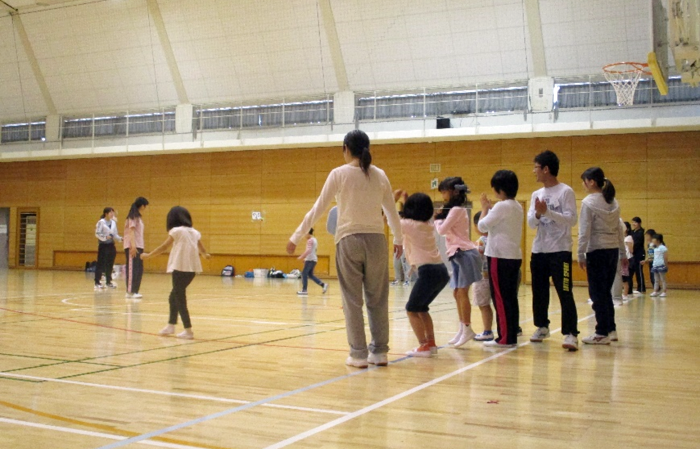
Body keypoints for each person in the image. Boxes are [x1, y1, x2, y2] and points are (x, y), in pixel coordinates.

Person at [286, 130, 402, 368]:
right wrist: (398, 239)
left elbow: (318, 208)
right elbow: (391, 211)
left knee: (352, 300)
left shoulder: (339, 174)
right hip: (377, 242)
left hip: (349, 240)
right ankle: (379, 352)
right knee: (378, 299)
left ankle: (358, 354)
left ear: (345, 148)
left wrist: (296, 236)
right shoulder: (380, 174)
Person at [527, 150, 579, 351]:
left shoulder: (566, 191)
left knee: (564, 291)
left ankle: (571, 333)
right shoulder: (536, 194)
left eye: (536, 167)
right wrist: (540, 215)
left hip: (560, 250)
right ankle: (542, 326)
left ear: (546, 169)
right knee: (539, 291)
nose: (534, 171)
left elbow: (571, 219)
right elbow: (531, 222)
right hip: (539, 249)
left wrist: (547, 212)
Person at [141, 206, 210, 339]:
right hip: (192, 270)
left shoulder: (176, 231)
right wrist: (205, 255)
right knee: (173, 297)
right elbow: (202, 248)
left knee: (179, 298)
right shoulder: (194, 232)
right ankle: (171, 325)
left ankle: (188, 330)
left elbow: (164, 246)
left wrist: (148, 255)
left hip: (180, 268)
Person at [577, 167, 627, 345]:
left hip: (597, 251)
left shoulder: (588, 202)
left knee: (597, 293)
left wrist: (580, 253)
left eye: (584, 181)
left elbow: (584, 232)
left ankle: (601, 332)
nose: (583, 185)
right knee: (606, 292)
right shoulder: (613, 202)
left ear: (591, 182)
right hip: (612, 250)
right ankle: (611, 329)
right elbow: (620, 231)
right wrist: (622, 252)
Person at [399, 192, 450, 357]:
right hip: (440, 271)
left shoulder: (409, 225)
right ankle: (431, 344)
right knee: (422, 308)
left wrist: (393, 198)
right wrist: (407, 201)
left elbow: (390, 218)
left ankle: (424, 346)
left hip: (428, 272)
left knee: (411, 309)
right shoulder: (427, 224)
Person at [434, 177, 483, 348]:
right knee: (457, 293)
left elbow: (441, 230)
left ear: (454, 192)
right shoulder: (453, 210)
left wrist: (437, 218)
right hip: (457, 253)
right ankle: (463, 328)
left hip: (464, 253)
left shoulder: (456, 209)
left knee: (462, 293)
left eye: (445, 191)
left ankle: (467, 328)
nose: (443, 195)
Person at [477, 170, 523, 348]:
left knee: (501, 298)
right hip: (513, 255)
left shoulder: (502, 206)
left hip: (499, 256)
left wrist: (485, 208)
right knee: (510, 297)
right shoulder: (517, 205)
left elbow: (481, 226)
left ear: (499, 189)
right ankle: (510, 334)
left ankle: (504, 338)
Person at [472, 211, 495, 341]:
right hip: (493, 276)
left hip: (482, 278)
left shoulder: (481, 241)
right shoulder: (494, 238)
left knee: (484, 305)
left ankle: (487, 331)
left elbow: (477, 258)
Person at [123, 197, 149, 299]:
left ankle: (135, 290)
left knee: (138, 268)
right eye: (145, 206)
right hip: (132, 246)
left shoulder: (138, 217)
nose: (145, 208)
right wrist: (132, 246)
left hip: (139, 245)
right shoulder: (132, 217)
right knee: (132, 268)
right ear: (142, 205)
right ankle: (130, 292)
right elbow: (131, 231)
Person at [94, 207, 122, 290]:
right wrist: (106, 237)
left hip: (111, 245)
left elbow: (115, 234)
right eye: (111, 213)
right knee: (100, 263)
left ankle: (108, 281)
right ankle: (97, 282)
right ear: (106, 213)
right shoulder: (101, 222)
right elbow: (97, 234)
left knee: (110, 263)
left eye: (113, 213)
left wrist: (120, 238)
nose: (112, 214)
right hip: (103, 245)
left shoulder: (113, 222)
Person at [296, 228, 329, 296]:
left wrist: (302, 256)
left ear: (308, 233)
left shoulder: (310, 240)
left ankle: (304, 290)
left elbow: (308, 250)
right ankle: (323, 285)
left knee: (304, 274)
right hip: (313, 259)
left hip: (310, 260)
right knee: (310, 275)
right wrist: (306, 258)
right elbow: (313, 250)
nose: (305, 235)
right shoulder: (314, 239)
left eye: (305, 233)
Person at [630, 217, 646, 293]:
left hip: (639, 253)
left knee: (638, 270)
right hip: (633, 254)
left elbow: (637, 243)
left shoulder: (641, 232)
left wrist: (632, 248)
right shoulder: (632, 232)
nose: (633, 224)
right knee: (632, 270)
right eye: (633, 222)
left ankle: (641, 287)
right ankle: (633, 287)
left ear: (639, 223)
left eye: (635, 222)